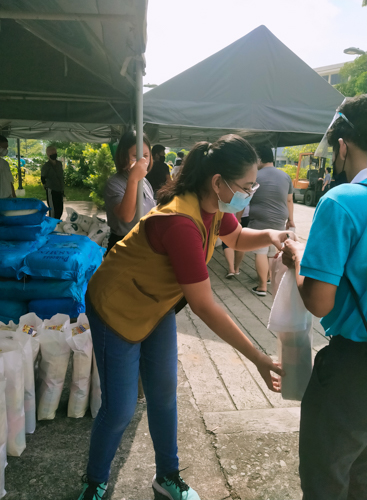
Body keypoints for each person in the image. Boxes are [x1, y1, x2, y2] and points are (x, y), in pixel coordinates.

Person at [77, 134, 295, 500]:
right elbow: (204, 305)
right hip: (115, 307)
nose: (249, 193)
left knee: (163, 394)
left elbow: (237, 238)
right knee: (120, 408)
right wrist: (258, 357)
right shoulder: (179, 222)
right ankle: (95, 481)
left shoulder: (213, 207)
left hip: (155, 305)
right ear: (218, 182)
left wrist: (273, 234)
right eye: (245, 186)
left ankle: (168, 476)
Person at [282, 94, 367, 500]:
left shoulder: (343, 201)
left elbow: (319, 302)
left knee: (327, 478)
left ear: (343, 145)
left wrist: (296, 260)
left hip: (354, 369)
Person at [248, 144, 295, 296]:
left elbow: (245, 199)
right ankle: (270, 279)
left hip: (260, 217)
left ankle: (262, 286)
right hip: (279, 218)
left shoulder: (255, 176)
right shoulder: (285, 176)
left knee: (260, 251)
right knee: (272, 250)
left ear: (260, 159)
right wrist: (291, 220)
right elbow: (289, 201)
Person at [104, 130, 156, 254]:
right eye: (136, 156)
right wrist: (133, 179)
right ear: (124, 156)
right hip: (124, 246)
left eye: (146, 156)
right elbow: (126, 217)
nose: (142, 161)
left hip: (144, 243)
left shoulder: (145, 182)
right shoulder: (114, 183)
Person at [222, 208, 250, 278]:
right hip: (244, 215)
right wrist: (238, 217)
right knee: (241, 242)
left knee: (227, 241)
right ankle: (236, 268)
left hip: (227, 214)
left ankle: (231, 269)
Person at [41, 145, 65, 219]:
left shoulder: (59, 164)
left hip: (60, 189)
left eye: (55, 152)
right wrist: (46, 186)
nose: (54, 154)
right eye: (52, 152)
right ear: (48, 154)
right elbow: (43, 178)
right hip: (51, 189)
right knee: (53, 209)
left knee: (60, 208)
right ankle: (52, 224)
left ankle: (57, 222)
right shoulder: (46, 166)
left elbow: (61, 176)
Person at [0, 134, 16, 200]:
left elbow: (10, 182)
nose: (6, 150)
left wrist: (14, 198)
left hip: (8, 199)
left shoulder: (5, 163)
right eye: (4, 148)